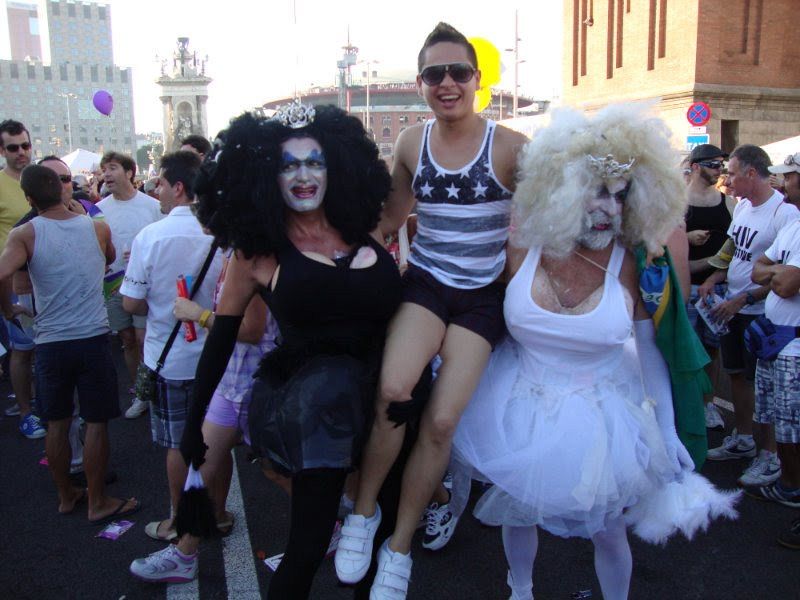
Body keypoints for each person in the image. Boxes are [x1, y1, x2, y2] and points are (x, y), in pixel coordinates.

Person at [452, 105, 739, 600]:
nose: (610, 207)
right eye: (597, 191)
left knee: (608, 530)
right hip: (520, 401)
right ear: (564, 190)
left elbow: (650, 350)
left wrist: (667, 428)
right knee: (518, 510)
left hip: (604, 413)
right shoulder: (522, 249)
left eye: (621, 195)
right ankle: (520, 591)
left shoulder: (635, 265)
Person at [142, 103, 401, 598]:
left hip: (389, 403)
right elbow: (220, 342)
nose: (303, 176)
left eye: (314, 162)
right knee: (307, 547)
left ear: (336, 167)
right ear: (266, 177)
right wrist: (194, 426)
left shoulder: (363, 227)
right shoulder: (257, 253)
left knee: (377, 535)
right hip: (318, 414)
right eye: (288, 165)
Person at [335, 23, 528, 597]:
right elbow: (389, 220)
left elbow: (543, 227)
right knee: (393, 391)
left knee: (442, 421)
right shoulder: (409, 143)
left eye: (458, 72)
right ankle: (364, 513)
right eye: (434, 74)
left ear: (476, 79)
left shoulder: (513, 147)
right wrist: (319, 241)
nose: (447, 83)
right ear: (421, 83)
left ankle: (398, 548)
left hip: (482, 298)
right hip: (425, 286)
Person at [0, 164, 139, 522]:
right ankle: (97, 501)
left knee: (57, 422)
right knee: (96, 422)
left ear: (28, 198)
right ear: (63, 190)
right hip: (92, 337)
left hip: (51, 343)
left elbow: (3, 273)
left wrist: (9, 309)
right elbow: (109, 258)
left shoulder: (25, 234)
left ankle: (66, 496)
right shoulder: (96, 227)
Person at [120, 150, 224, 543]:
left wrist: (159, 301)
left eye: (161, 183)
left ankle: (180, 521)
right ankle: (219, 514)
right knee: (216, 443)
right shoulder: (220, 234)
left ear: (178, 187)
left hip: (171, 360)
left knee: (179, 444)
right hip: (216, 357)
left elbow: (131, 304)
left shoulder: (150, 236)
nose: (156, 191)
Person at [698, 145, 799, 487]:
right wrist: (714, 278)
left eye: (732, 173)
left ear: (752, 174)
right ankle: (743, 438)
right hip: (733, 304)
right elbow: (732, 251)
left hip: (758, 312)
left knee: (764, 386)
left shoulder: (784, 214)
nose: (727, 180)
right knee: (737, 375)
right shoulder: (742, 206)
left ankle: (769, 454)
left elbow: (783, 274)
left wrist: (745, 297)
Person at [748, 197, 800, 548]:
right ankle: (790, 486)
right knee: (782, 425)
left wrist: (776, 271)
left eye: (791, 175)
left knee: (794, 430)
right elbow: (758, 270)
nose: (785, 183)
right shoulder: (794, 227)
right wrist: (778, 270)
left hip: (795, 346)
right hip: (776, 341)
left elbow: (785, 286)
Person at [96, 151, 162, 419]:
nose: (106, 174)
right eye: (104, 169)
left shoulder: (152, 206)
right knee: (126, 338)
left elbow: (162, 243)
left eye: (112, 168)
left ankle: (152, 391)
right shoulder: (99, 210)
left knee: (144, 338)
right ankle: (139, 391)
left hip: (145, 284)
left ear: (129, 172)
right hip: (113, 282)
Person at [683, 144, 733, 431]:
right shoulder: (677, 202)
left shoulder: (728, 203)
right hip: (686, 286)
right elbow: (661, 243)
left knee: (713, 350)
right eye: (713, 164)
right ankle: (688, 405)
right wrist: (686, 237)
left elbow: (737, 243)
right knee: (687, 349)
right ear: (696, 166)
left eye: (721, 165)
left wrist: (718, 273)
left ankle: (708, 404)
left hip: (718, 289)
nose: (719, 170)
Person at [0, 119, 43, 437]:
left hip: (48, 278)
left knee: (48, 347)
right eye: (13, 147)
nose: (21, 152)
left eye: (25, 145)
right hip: (15, 282)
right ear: (2, 151)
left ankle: (48, 406)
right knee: (23, 349)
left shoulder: (41, 179)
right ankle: (27, 412)